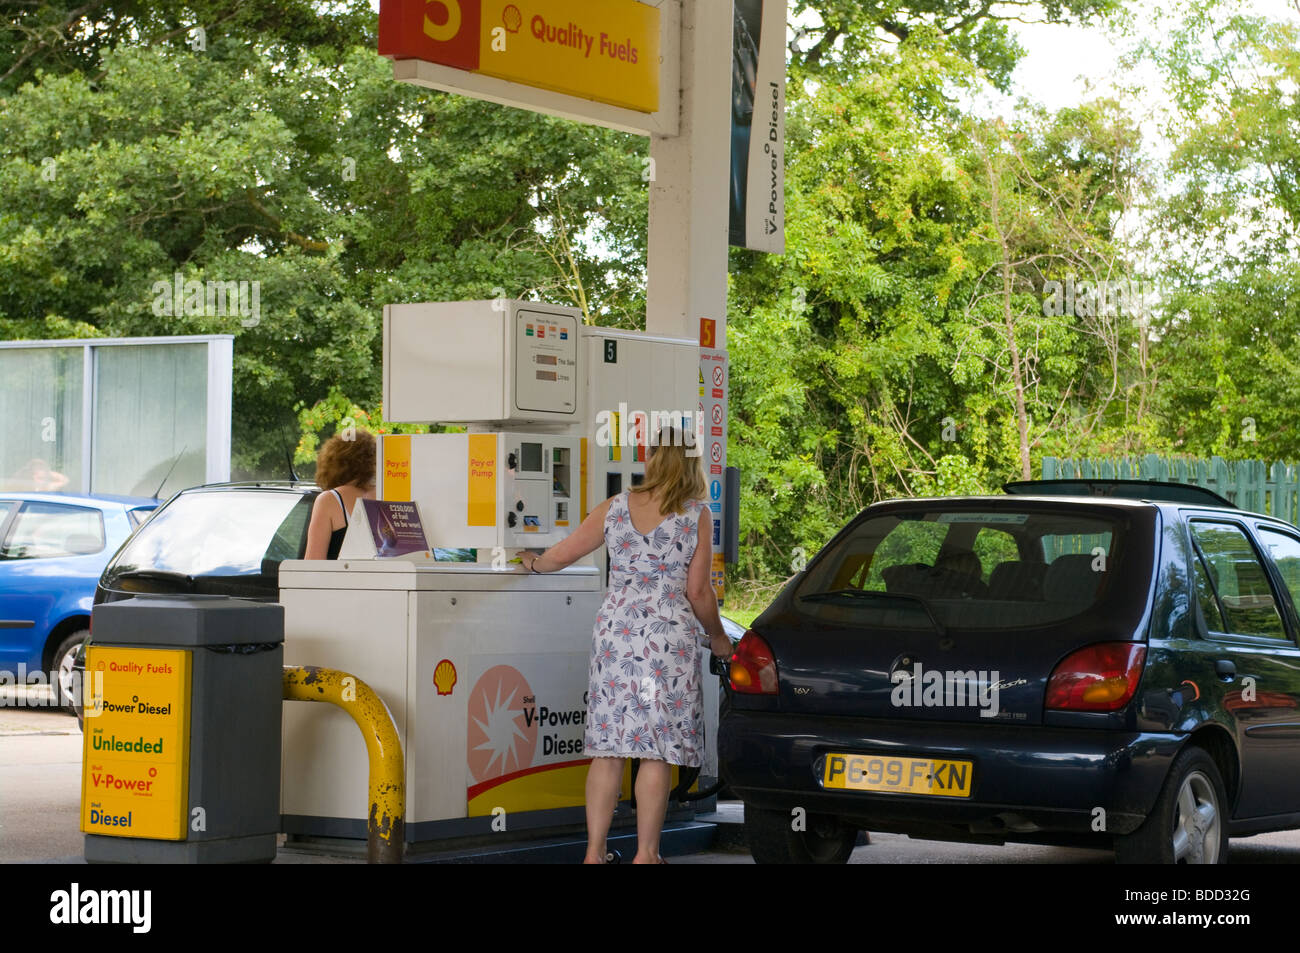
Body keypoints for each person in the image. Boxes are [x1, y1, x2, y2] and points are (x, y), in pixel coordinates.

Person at [518, 428, 732, 864]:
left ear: (652, 457)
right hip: (665, 646)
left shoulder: (615, 507)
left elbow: (563, 553)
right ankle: (646, 855)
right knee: (654, 750)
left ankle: (594, 854)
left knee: (610, 747)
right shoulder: (695, 514)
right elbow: (698, 592)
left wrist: (533, 562)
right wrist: (718, 637)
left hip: (616, 638)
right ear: (691, 462)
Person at [304, 429, 377, 560]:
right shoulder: (386, 495)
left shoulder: (330, 500)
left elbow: (312, 565)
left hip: (340, 581)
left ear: (333, 462)